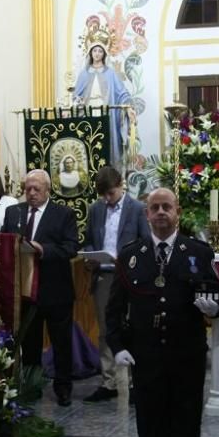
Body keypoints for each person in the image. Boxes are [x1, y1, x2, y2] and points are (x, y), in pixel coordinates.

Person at [106, 188, 219, 437]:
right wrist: (117, 346)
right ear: (146, 214)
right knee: (149, 419)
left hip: (187, 353)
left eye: (166, 207)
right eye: (154, 208)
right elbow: (114, 308)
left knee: (186, 420)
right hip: (146, 354)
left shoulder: (198, 252)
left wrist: (214, 309)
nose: (160, 212)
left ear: (178, 212)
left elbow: (216, 296)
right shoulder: (131, 254)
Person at [1, 169, 80, 406]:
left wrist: (42, 249)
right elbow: (5, 242)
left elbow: (71, 248)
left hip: (56, 289)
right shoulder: (14, 211)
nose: (32, 193)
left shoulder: (63, 214)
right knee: (30, 343)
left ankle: (63, 387)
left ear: (47, 190)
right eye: (28, 189)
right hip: (26, 291)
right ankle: (32, 385)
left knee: (61, 343)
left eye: (37, 189)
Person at [82, 166, 149, 403]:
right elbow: (90, 240)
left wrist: (129, 259)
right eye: (104, 195)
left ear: (121, 185)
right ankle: (109, 382)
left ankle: (134, 381)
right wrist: (91, 255)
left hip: (129, 277)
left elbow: (145, 242)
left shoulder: (138, 209)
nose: (107, 199)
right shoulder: (96, 209)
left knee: (132, 328)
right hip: (104, 275)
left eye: (111, 193)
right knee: (105, 330)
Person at [73, 40, 135, 169]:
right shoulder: (84, 74)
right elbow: (76, 96)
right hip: (88, 114)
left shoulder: (110, 73)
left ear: (104, 54)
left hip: (107, 113)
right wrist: (76, 103)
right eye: (94, 50)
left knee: (106, 141)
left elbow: (122, 93)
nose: (97, 54)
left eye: (100, 51)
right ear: (90, 53)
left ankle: (108, 171)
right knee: (89, 142)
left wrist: (128, 107)